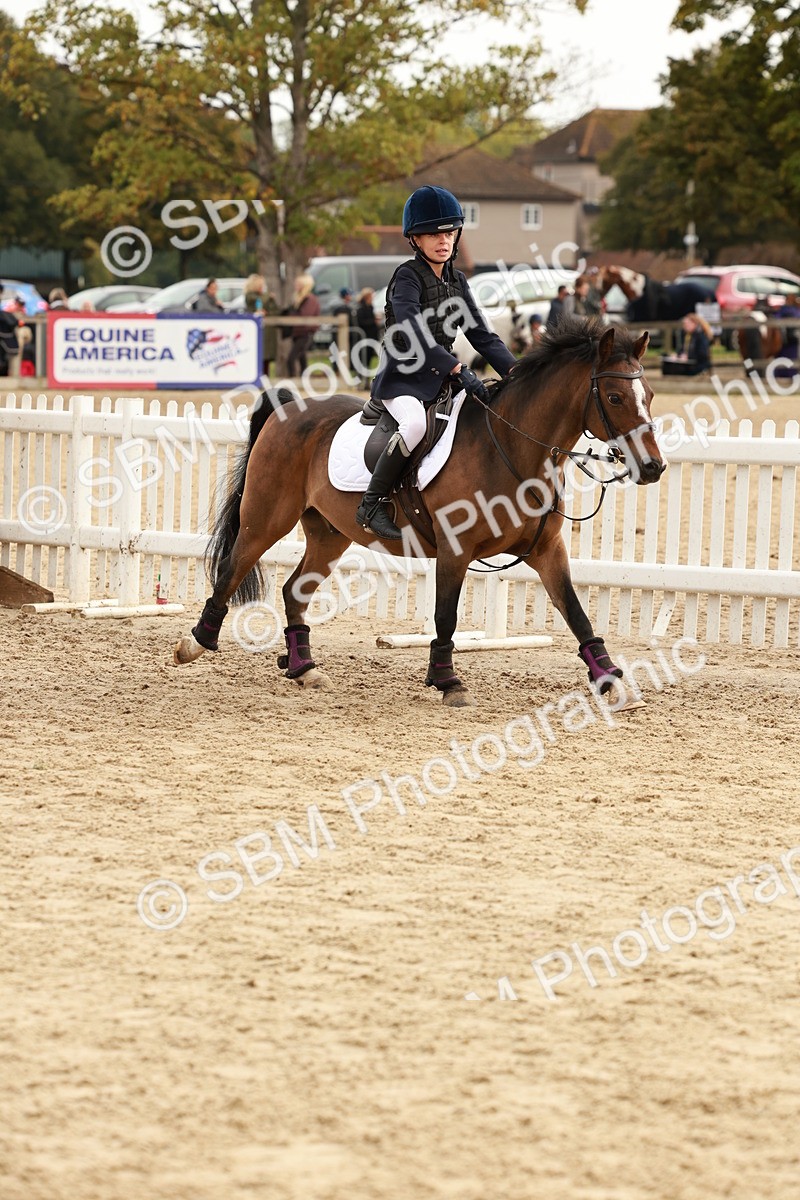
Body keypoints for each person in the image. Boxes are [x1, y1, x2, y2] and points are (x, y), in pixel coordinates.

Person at [356, 184, 517, 540]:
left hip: (441, 380)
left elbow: (481, 334)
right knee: (413, 426)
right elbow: (413, 331)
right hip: (402, 379)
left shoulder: (458, 280)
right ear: (414, 239)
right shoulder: (406, 277)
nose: (442, 240)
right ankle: (371, 503)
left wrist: (517, 371)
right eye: (432, 233)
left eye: (448, 232)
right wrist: (458, 369)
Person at [244, 272, 280, 379]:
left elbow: (275, 310)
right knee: (258, 355)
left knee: (267, 357)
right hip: (257, 331)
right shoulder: (250, 296)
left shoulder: (265, 297)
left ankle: (266, 378)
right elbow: (259, 301)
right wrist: (268, 295)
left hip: (268, 331)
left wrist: (268, 312)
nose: (262, 288)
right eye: (260, 285)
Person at [287, 273, 321, 377]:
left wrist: (292, 314)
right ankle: (303, 380)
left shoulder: (310, 299)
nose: (295, 285)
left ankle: (293, 381)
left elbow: (306, 315)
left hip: (306, 332)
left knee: (291, 358)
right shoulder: (299, 299)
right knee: (302, 358)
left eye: (298, 284)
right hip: (298, 332)